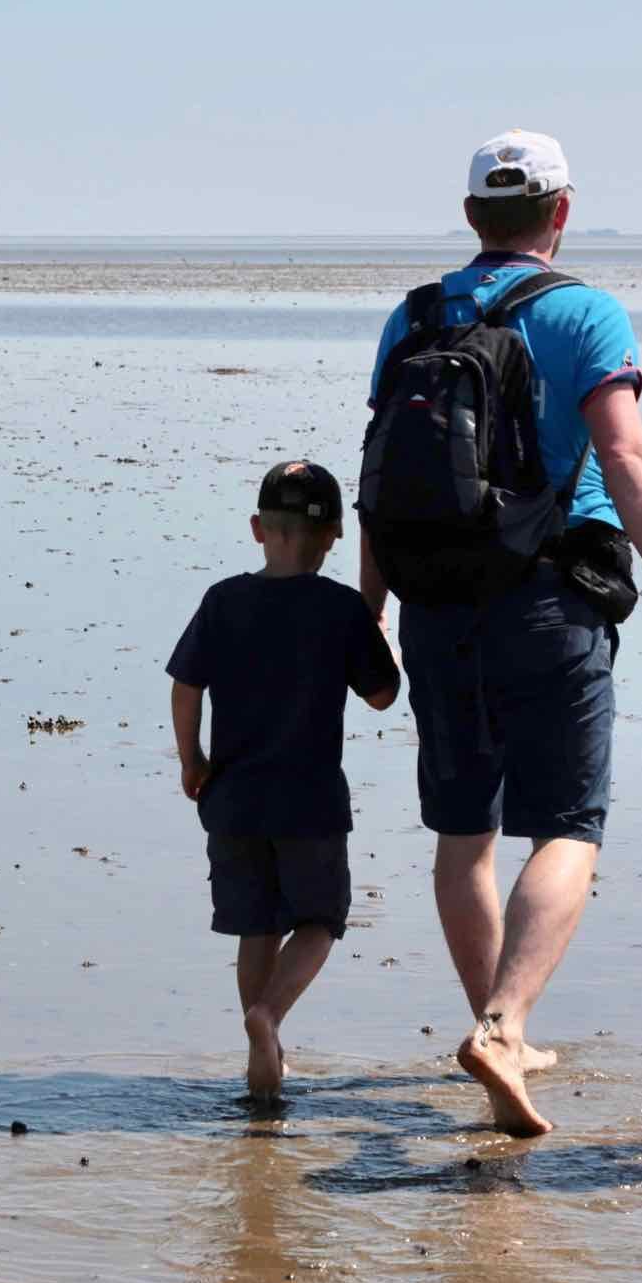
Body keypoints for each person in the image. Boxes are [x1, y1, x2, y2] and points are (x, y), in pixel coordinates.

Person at [360, 128, 642, 1137]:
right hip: (553, 596)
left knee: (462, 831)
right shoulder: (584, 312)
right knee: (569, 824)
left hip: (435, 601)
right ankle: (505, 1023)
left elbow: (380, 476)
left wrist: (371, 608)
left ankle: (497, 1030)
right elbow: (626, 453)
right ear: (562, 212)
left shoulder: (412, 316)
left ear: (472, 215)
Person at [167, 462, 400, 1099]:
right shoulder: (340, 607)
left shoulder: (222, 600)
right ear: (331, 538)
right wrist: (381, 635)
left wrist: (191, 760)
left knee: (257, 925)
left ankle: (261, 1054)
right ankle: (268, 1017)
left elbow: (186, 688)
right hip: (309, 802)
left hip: (234, 800)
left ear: (257, 529)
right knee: (321, 920)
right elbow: (382, 695)